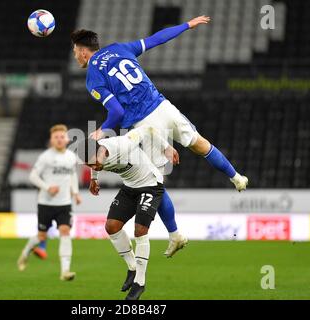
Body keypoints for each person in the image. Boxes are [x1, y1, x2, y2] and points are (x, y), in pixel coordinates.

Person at [70, 16, 249, 257]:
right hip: (163, 106)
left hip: (145, 122)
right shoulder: (119, 48)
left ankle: (176, 235)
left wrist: (102, 130)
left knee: (154, 184)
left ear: (83, 52)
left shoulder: (93, 75)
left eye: (74, 51)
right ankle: (237, 177)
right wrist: (187, 25)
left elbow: (117, 112)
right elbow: (156, 39)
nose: (74, 56)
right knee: (200, 144)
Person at [76, 125, 179, 300]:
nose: (94, 166)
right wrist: (94, 178)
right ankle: (132, 268)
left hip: (150, 184)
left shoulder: (122, 144)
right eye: (89, 165)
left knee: (140, 230)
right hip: (130, 187)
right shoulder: (95, 155)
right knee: (111, 226)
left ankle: (139, 283)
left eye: (94, 163)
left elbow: (147, 130)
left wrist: (167, 147)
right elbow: (94, 161)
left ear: (101, 150)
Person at [17, 124, 82, 281]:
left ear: (67, 139)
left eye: (62, 137)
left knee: (65, 231)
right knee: (41, 236)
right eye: (56, 137)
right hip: (46, 203)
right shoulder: (45, 157)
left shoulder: (71, 157)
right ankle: (25, 253)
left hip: (64, 204)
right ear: (52, 140)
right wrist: (47, 187)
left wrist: (76, 193)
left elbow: (72, 176)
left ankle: (65, 271)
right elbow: (32, 176)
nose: (59, 139)